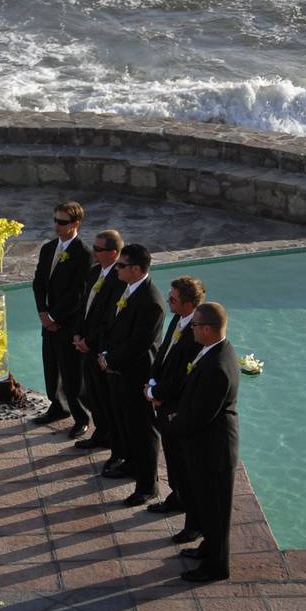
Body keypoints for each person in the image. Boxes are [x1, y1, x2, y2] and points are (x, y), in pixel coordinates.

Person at [168, 302, 239, 582]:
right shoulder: (215, 351)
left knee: (215, 509)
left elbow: (201, 415)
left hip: (213, 450)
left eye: (195, 325)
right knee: (207, 505)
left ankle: (216, 566)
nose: (191, 329)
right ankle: (208, 547)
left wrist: (173, 425)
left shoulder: (217, 367)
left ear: (207, 329)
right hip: (206, 446)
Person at [97, 244, 165, 506]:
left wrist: (111, 360)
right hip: (118, 370)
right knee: (125, 422)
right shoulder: (127, 289)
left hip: (136, 374)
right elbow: (114, 327)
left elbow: (140, 343)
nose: (117, 268)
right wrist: (105, 354)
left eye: (122, 265)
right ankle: (131, 464)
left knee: (143, 429)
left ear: (137, 269)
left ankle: (148, 485)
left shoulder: (151, 302)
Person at [145, 277, 205, 542]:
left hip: (177, 407)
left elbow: (184, 375)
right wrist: (152, 382)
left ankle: (194, 522)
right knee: (172, 457)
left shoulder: (197, 332)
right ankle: (177, 496)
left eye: (173, 299)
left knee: (186, 465)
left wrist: (159, 394)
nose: (169, 302)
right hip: (163, 400)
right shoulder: (176, 320)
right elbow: (164, 354)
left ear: (189, 304)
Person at [31, 201, 93, 438]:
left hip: (69, 323)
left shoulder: (84, 254)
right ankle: (57, 406)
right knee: (51, 365)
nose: (56, 225)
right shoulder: (48, 249)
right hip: (49, 320)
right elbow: (38, 283)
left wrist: (55, 316)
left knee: (71, 371)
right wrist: (43, 313)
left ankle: (81, 416)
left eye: (62, 222)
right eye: (55, 220)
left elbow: (79, 293)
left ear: (75, 223)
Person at [72, 230, 126, 450]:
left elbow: (108, 318)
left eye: (98, 249)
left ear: (113, 253)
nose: (93, 252)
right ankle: (100, 433)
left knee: (105, 397)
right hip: (86, 344)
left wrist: (90, 342)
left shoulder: (119, 279)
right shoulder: (96, 273)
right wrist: (77, 334)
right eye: (93, 247)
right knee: (93, 394)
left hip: (101, 347)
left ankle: (112, 438)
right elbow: (84, 306)